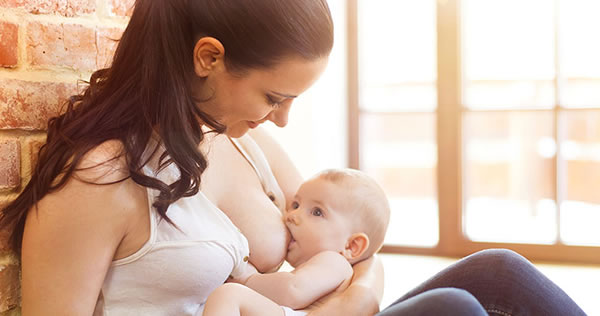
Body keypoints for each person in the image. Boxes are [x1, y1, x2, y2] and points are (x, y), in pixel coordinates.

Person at [0, 0, 586, 315]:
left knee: (498, 271)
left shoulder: (244, 142)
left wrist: (351, 301)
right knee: (457, 310)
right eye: (274, 97)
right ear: (208, 56)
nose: (282, 119)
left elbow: (359, 246)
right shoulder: (100, 178)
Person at [202, 169, 391, 316]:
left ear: (351, 246)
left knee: (229, 295)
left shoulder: (335, 262)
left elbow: (293, 291)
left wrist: (247, 279)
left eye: (317, 212)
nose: (292, 215)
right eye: (296, 205)